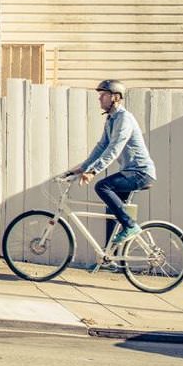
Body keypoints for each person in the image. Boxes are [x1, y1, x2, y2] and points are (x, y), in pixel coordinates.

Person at [67, 79, 156, 246]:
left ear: (115, 97)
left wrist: (93, 172)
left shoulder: (124, 119)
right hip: (130, 171)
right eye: (100, 95)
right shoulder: (111, 119)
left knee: (102, 186)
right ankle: (110, 258)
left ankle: (130, 226)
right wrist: (82, 168)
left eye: (104, 95)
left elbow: (114, 149)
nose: (100, 98)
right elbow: (102, 146)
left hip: (141, 173)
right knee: (112, 213)